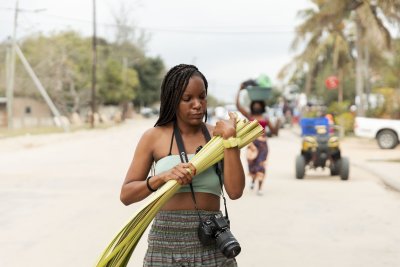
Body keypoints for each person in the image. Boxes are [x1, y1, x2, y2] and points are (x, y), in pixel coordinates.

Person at [120, 64, 245, 267]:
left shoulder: (218, 137)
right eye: (187, 99)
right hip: (165, 247)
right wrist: (162, 177)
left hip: (212, 244)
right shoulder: (154, 137)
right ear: (172, 100)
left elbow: (235, 191)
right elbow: (126, 195)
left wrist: (231, 142)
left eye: (202, 97)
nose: (197, 104)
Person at [236, 82, 279, 196]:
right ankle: (253, 180)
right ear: (252, 105)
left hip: (263, 145)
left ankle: (260, 188)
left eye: (259, 104)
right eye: (255, 104)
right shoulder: (249, 116)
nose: (257, 106)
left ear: (262, 106)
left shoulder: (266, 118)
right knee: (252, 164)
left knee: (261, 165)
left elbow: (274, 132)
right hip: (251, 145)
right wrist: (239, 91)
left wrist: (278, 123)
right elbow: (238, 106)